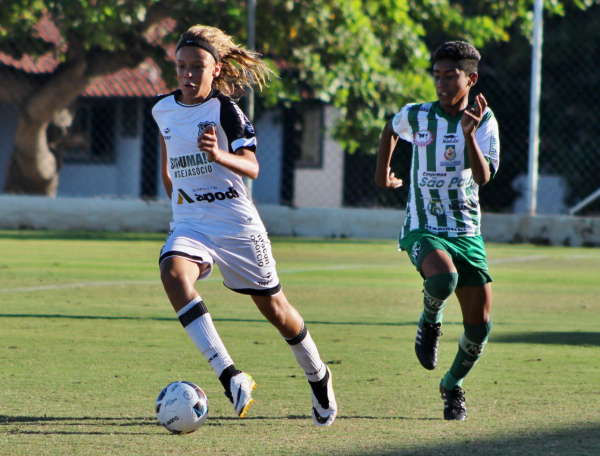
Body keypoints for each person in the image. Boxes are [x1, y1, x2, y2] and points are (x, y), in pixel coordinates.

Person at [151, 25, 337, 426]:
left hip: (236, 225)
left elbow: (252, 165)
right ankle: (230, 375)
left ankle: (319, 376)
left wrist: (218, 155)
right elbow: (169, 166)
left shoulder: (226, 112)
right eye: (181, 66)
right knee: (172, 271)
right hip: (191, 222)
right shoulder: (161, 109)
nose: (187, 74)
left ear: (215, 69)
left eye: (197, 66)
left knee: (276, 310)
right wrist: (180, 203)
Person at [375, 41, 499, 421]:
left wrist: (467, 135)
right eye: (437, 76)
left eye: (451, 76)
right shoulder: (417, 116)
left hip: (466, 231)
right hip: (423, 226)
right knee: (443, 278)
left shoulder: (484, 120)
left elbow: (484, 177)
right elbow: (389, 129)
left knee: (480, 328)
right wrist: (382, 174)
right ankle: (430, 323)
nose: (441, 84)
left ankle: (451, 385)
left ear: (471, 79)